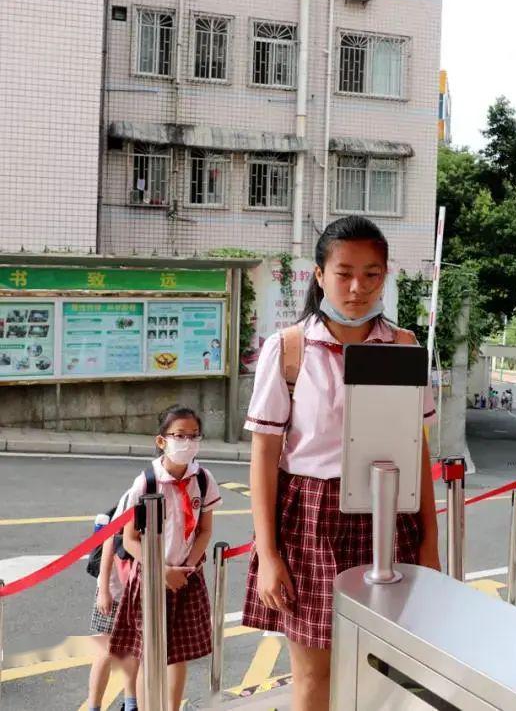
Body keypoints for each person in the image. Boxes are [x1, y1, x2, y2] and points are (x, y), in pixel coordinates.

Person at [241, 216, 440, 711]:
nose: (357, 287)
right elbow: (265, 457)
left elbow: (417, 452)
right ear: (319, 274)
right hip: (310, 519)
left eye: (372, 274)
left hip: (390, 516)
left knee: (382, 668)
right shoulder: (289, 350)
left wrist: (433, 545)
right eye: (344, 272)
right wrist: (268, 555)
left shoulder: (404, 347)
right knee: (313, 675)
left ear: (386, 276)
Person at [109, 406, 222, 711]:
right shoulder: (146, 482)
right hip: (150, 578)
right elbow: (130, 539)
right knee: (150, 654)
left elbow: (204, 531)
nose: (187, 442)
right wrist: (162, 570)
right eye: (179, 436)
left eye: (193, 436)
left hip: (186, 577)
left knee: (178, 654)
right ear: (162, 441)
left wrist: (185, 569)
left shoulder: (203, 479)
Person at [87, 491, 138, 711]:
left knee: (134, 651)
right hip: (115, 589)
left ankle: (131, 704)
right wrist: (105, 590)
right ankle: (94, 707)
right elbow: (109, 545)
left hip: (138, 591)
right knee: (105, 650)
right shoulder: (138, 495)